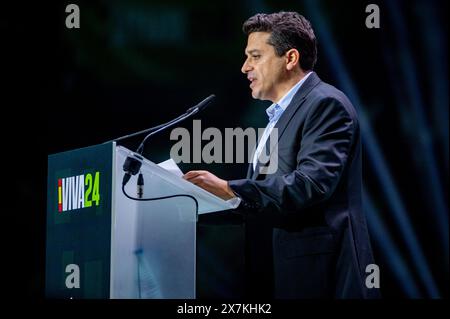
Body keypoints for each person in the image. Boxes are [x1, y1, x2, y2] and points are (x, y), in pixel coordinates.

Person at [183, 11, 379, 299]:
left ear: (290, 59)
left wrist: (229, 188)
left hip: (322, 277)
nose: (244, 67)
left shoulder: (325, 105)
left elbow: (310, 185)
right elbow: (263, 203)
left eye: (255, 56)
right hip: (279, 276)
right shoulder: (279, 115)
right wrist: (191, 205)